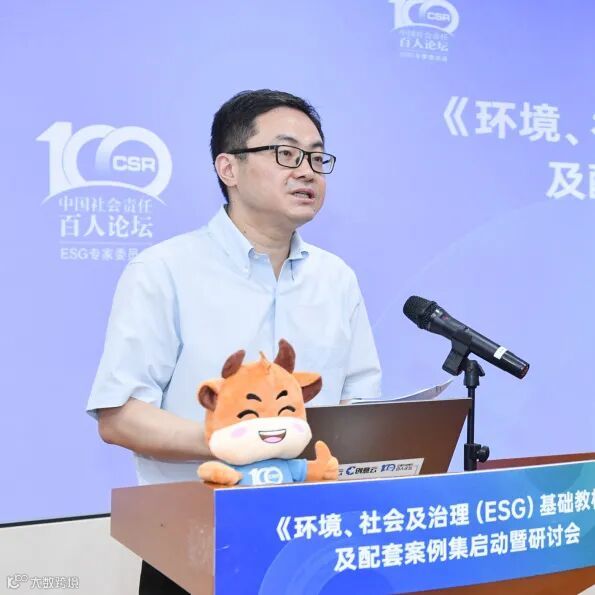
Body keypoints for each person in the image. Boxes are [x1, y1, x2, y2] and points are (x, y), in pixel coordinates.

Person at [87, 89, 381, 594]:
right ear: (229, 168)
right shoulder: (164, 270)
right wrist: (238, 442)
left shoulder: (337, 279)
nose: (307, 171)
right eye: (286, 154)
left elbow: (359, 402)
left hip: (313, 544)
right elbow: (120, 415)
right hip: (195, 546)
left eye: (317, 157)